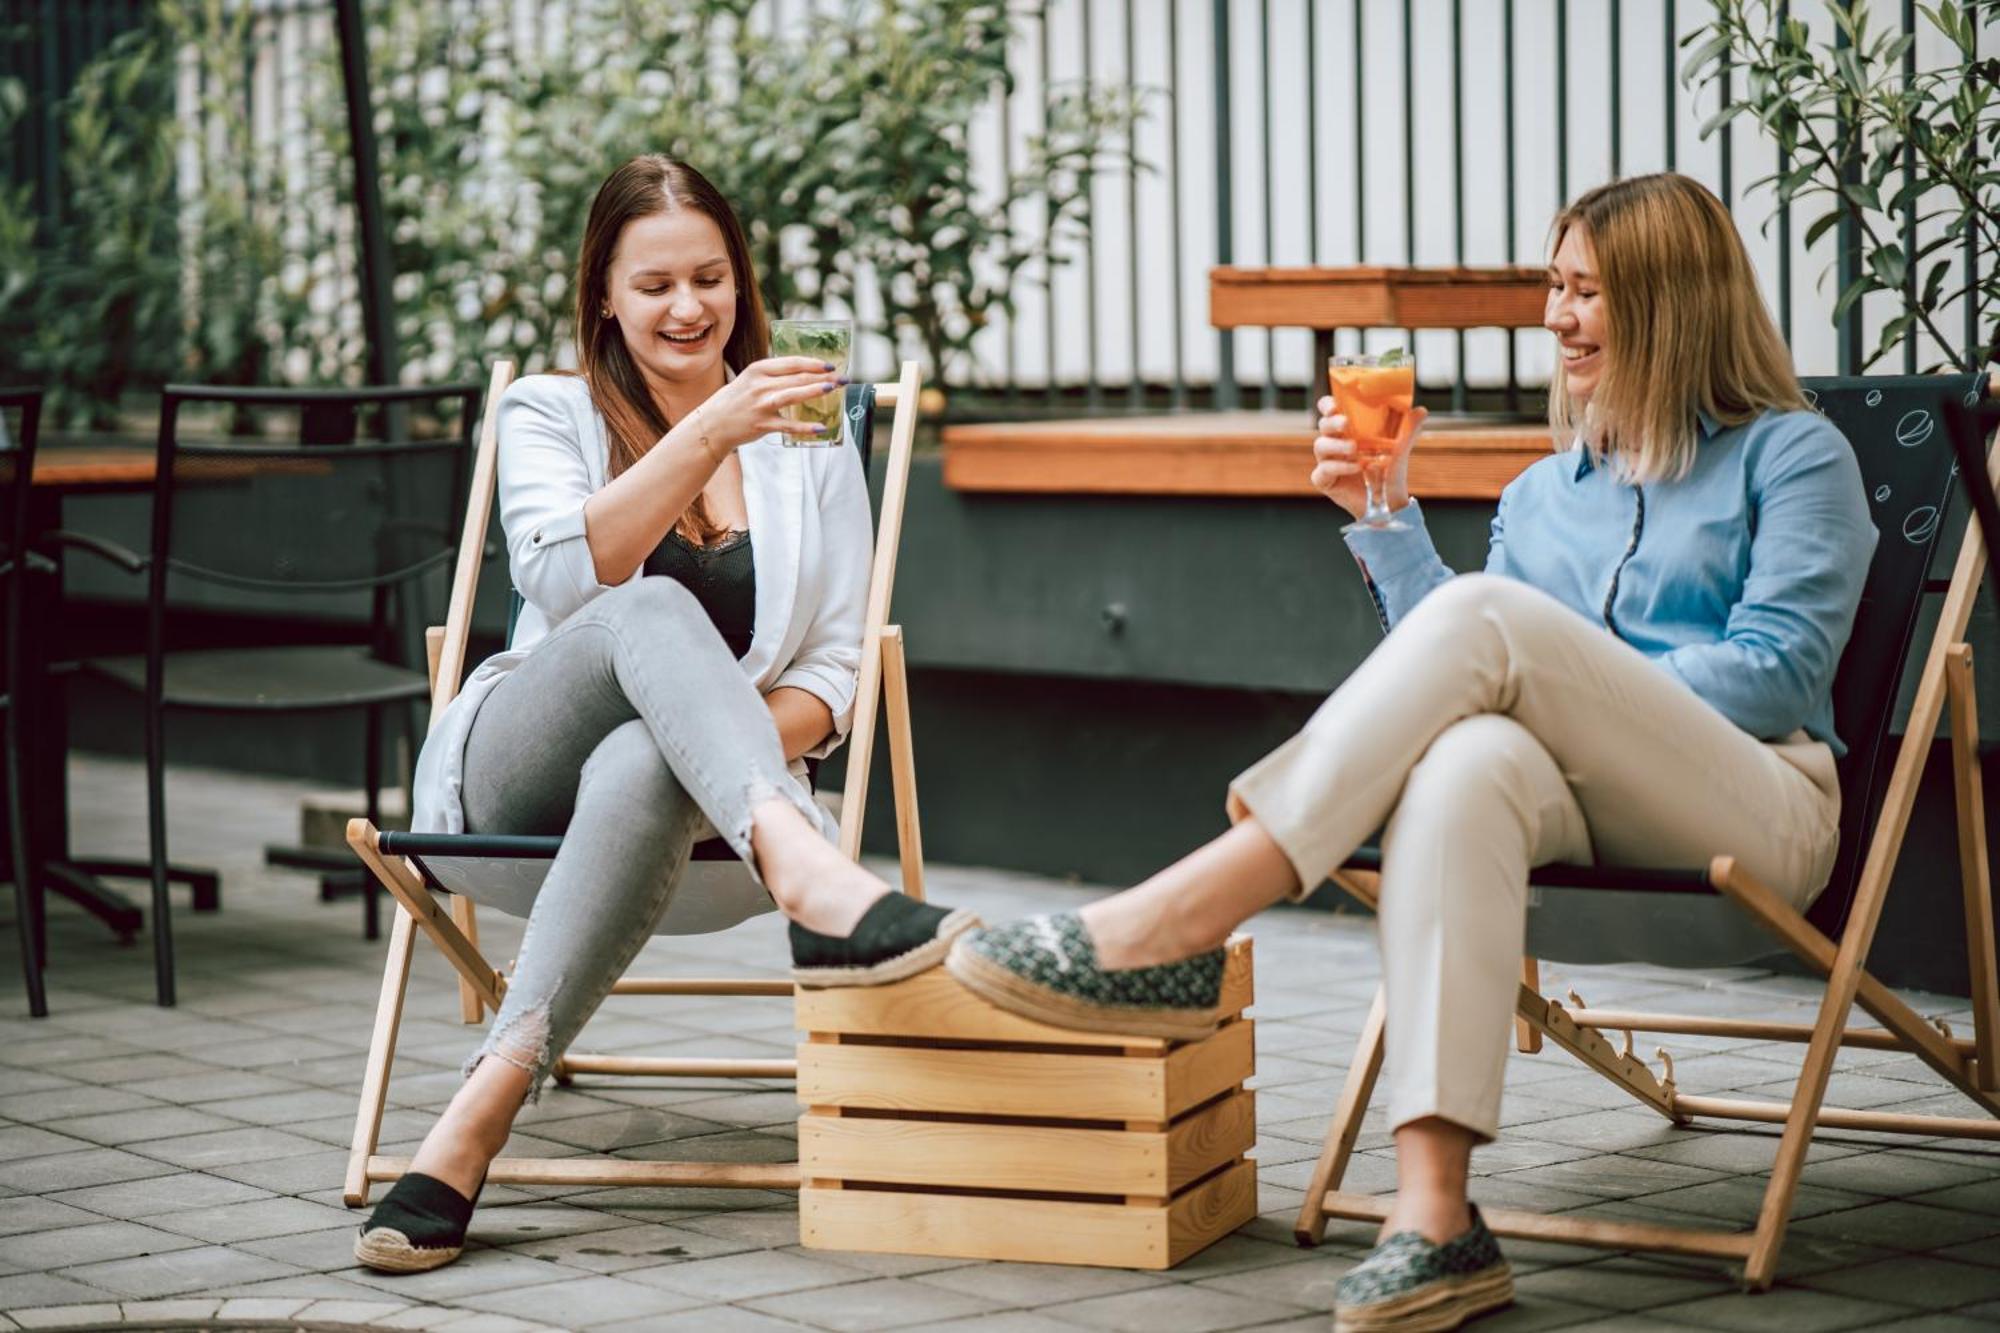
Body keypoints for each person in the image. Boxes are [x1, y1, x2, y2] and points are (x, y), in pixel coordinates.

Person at [947, 172, 1875, 1332]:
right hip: (1585, 813)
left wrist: (1578, 677)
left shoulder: (1792, 456)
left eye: (1588, 293)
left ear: (1673, 305)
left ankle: (1181, 916)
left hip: (1759, 808)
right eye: (1553, 287)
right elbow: (1469, 676)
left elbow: (1778, 672)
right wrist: (1385, 523)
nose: (1555, 317)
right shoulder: (1542, 493)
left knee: (1494, 631)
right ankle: (1435, 1217)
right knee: (1462, 765)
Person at [355, 155, 975, 1275]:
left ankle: (478, 1114)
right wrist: (707, 431)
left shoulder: (809, 429)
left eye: (710, 278)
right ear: (602, 291)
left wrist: (704, 751)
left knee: (649, 754)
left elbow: (834, 665)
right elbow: (561, 577)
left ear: (740, 281)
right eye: (653, 286)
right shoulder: (545, 409)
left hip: (677, 812)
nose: (689, 308)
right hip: (518, 780)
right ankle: (808, 867)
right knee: (643, 602)